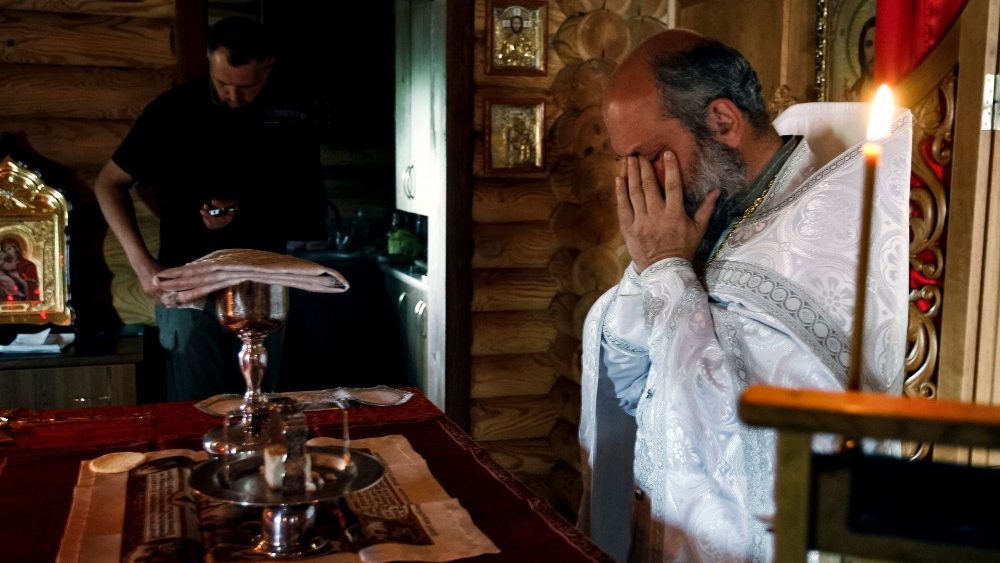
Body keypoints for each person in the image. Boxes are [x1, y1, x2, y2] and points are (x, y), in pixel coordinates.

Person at [577, 30, 911, 562]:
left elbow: (742, 440)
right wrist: (654, 271)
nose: (638, 181)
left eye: (649, 156)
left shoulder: (813, 241)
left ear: (723, 123)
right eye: (625, 162)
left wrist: (665, 271)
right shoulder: (712, 207)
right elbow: (621, 349)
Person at [94, 16, 327, 401]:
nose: (234, 97)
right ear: (208, 62)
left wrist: (246, 209)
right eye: (223, 84)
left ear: (268, 67)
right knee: (197, 411)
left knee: (260, 409)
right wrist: (143, 266)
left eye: (247, 87)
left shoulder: (293, 114)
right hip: (188, 287)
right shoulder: (172, 111)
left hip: (263, 287)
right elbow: (108, 183)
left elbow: (307, 209)